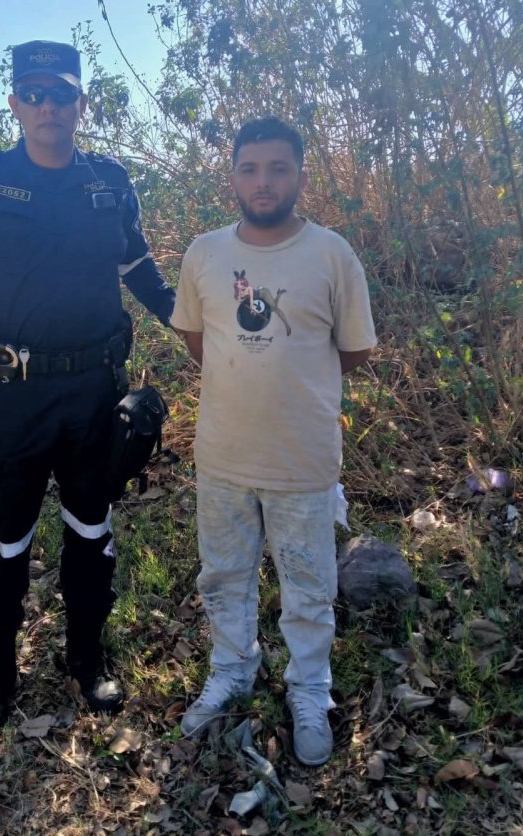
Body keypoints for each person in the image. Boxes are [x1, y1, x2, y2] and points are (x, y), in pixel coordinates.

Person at [0, 41, 175, 738]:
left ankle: (87, 660)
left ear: (81, 104)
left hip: (95, 392)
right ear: (14, 104)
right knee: (3, 544)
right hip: (11, 395)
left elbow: (138, 264)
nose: (48, 107)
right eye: (33, 94)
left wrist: (187, 321)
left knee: (92, 533)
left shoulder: (110, 182)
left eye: (61, 94)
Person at [171, 116, 376, 766]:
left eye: (278, 168)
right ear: (233, 176)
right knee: (224, 576)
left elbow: (353, 351)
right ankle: (232, 669)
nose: (264, 182)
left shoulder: (332, 254)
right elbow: (199, 341)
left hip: (303, 462)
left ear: (300, 177)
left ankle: (310, 689)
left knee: (309, 587)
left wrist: (293, 382)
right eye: (251, 168)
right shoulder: (204, 253)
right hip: (223, 458)